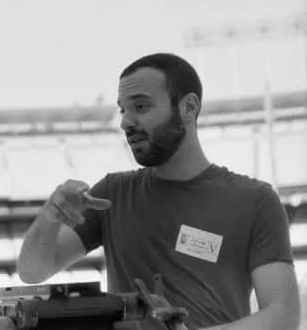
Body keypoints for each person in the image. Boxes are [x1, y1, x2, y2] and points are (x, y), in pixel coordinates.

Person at [17, 53, 300, 330]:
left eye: (140, 107)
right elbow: (32, 271)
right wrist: (49, 217)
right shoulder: (111, 195)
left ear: (188, 107)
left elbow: (283, 315)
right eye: (123, 110)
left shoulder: (255, 201)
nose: (125, 122)